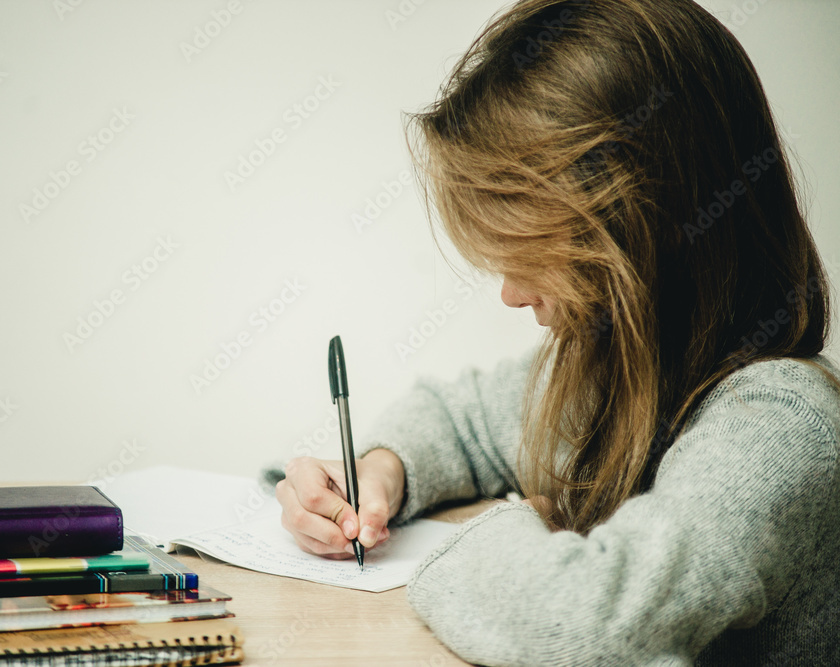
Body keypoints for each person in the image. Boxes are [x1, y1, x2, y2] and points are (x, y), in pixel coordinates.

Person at [275, 0, 840, 664]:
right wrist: (380, 470)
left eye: (529, 248)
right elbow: (463, 420)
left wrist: (488, 535)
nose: (511, 293)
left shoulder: (780, 427)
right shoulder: (616, 376)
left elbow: (589, 628)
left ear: (641, 226)